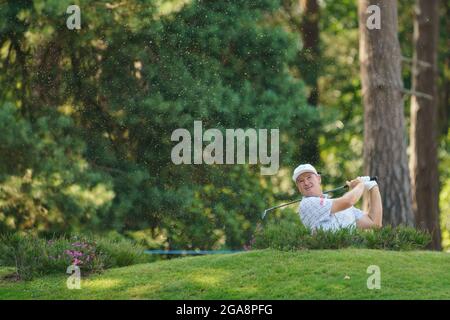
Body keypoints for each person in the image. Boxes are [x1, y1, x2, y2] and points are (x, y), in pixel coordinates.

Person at [292, 164, 383, 231]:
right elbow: (348, 201)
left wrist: (373, 187)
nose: (306, 183)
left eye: (309, 177)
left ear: (319, 178)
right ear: (298, 187)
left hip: (353, 254)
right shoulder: (307, 204)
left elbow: (374, 223)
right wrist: (360, 185)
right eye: (301, 181)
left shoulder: (339, 205)